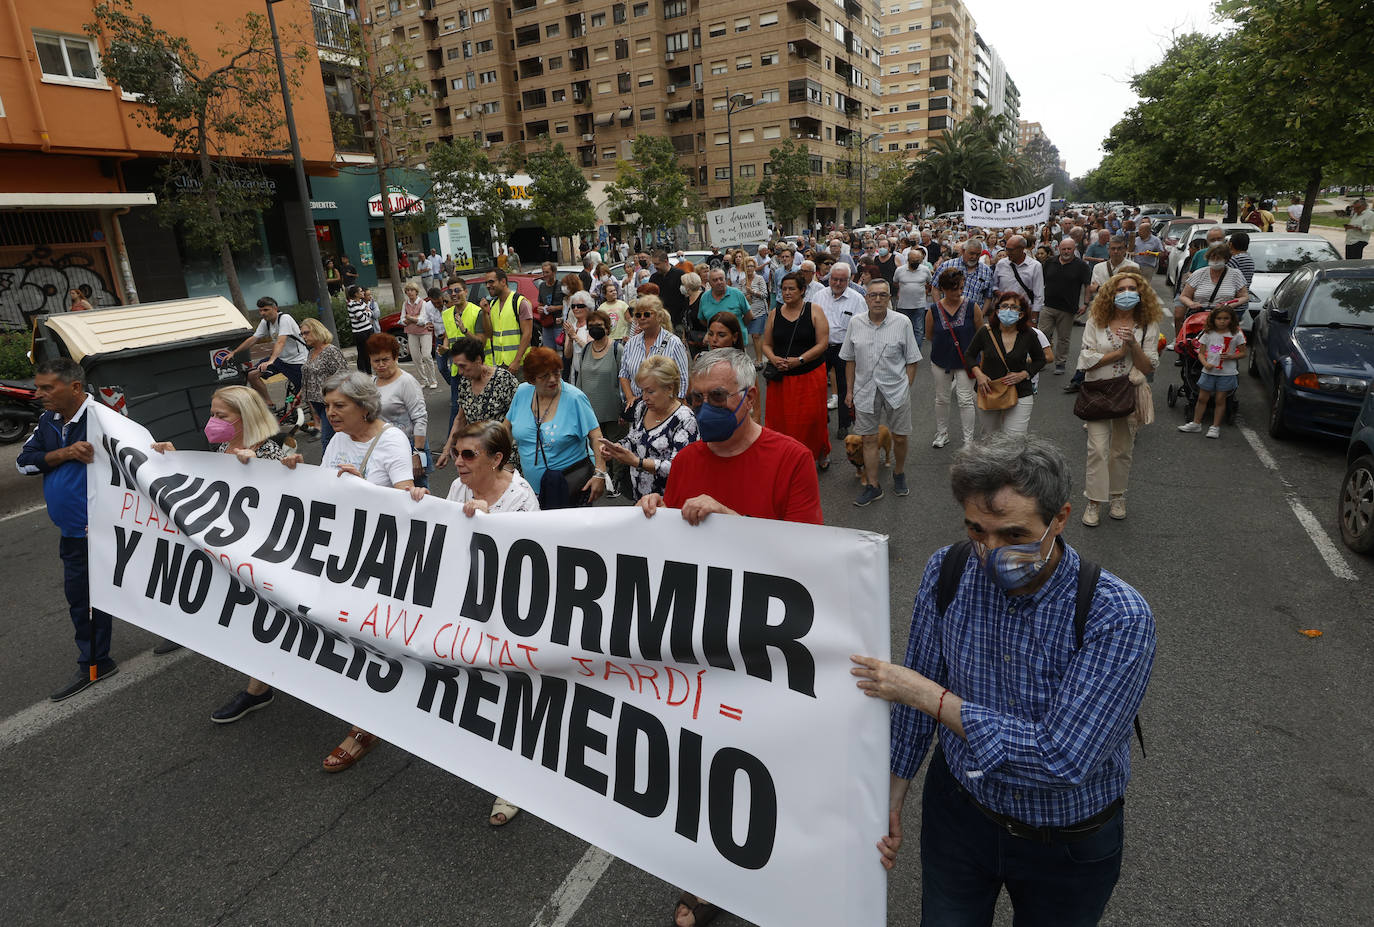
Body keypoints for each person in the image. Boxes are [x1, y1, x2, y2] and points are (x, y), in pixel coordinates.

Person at [851, 432, 1156, 927]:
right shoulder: (947, 571)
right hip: (960, 816)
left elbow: (1061, 759)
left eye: (1013, 536)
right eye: (977, 531)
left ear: (1060, 517)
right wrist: (891, 795)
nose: (990, 553)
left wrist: (928, 695)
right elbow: (915, 705)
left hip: (1069, 841)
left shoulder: (1116, 615)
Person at [282, 371, 419, 773]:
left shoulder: (392, 439)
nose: (331, 414)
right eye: (327, 406)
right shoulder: (339, 439)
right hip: (344, 555)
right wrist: (294, 470)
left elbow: (409, 502)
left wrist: (366, 490)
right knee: (348, 632)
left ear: (365, 406)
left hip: (383, 558)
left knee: (372, 637)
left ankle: (365, 726)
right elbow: (327, 485)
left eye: (339, 406)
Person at [150, 386, 287, 721]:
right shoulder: (225, 449)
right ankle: (264, 683)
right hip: (229, 557)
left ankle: (259, 689)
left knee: (265, 622)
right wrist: (169, 461)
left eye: (220, 416)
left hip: (262, 561)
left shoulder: (271, 454)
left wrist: (263, 472)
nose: (212, 422)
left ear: (245, 417)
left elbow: (292, 509)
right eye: (212, 414)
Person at [442, 419, 537, 827]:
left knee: (511, 691)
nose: (458, 463)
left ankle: (513, 781)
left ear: (497, 459)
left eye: (469, 455)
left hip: (509, 612)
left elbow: (529, 566)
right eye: (458, 453)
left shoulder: (521, 498)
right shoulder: (460, 486)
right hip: (469, 603)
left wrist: (488, 525)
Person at [18, 359, 121, 700]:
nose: (40, 394)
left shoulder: (103, 418)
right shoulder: (49, 420)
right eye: (39, 386)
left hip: (109, 529)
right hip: (74, 533)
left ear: (75, 388)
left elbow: (139, 459)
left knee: (143, 586)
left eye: (48, 388)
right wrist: (65, 453)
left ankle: (182, 633)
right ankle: (96, 664)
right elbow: (24, 462)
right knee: (82, 600)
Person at [1076, 271, 1162, 526]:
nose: (1127, 294)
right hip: (1098, 391)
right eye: (1121, 289)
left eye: (1132, 289)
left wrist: (1134, 346)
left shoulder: (1147, 324)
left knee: (1122, 450)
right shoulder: (1097, 320)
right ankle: (1093, 501)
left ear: (1141, 293)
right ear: (1111, 295)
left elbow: (1149, 367)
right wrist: (1118, 353)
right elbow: (1085, 360)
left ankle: (1117, 496)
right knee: (1098, 450)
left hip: (1128, 393)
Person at [841, 279, 921, 506]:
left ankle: (898, 472)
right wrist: (849, 391)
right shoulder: (855, 323)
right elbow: (849, 360)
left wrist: (907, 387)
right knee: (868, 439)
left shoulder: (902, 322)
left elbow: (913, 360)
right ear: (866, 298)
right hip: (864, 391)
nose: (877, 299)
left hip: (896, 389)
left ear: (889, 298)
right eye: (873, 295)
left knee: (900, 437)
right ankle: (873, 486)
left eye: (882, 295)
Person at [505, 347, 608, 509]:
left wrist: (600, 473)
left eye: (556, 373)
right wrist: (500, 464)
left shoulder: (575, 398)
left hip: (572, 487)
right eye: (545, 376)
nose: (553, 379)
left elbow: (596, 436)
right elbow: (506, 430)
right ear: (532, 380)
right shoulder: (522, 392)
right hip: (530, 490)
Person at [600, 356, 697, 501]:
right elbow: (634, 439)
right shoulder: (642, 408)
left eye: (650, 392)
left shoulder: (685, 419)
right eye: (642, 391)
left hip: (669, 503)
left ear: (669, 388)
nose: (644, 397)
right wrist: (616, 449)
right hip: (640, 499)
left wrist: (636, 462)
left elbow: (679, 467)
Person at [435, 337, 521, 469]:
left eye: (463, 366)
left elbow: (520, 417)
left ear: (478, 360)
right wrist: (446, 450)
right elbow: (460, 419)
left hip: (503, 457)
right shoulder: (464, 383)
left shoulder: (504, 380)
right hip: (475, 456)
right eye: (457, 367)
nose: (460, 372)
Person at [969, 291, 1045, 436]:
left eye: (1014, 307)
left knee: (1014, 440)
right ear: (997, 311)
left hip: (1020, 391)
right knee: (991, 438)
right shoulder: (986, 331)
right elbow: (969, 355)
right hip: (988, 390)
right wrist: (978, 374)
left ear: (1021, 314)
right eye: (1004, 306)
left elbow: (1040, 359)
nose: (1008, 310)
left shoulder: (1029, 334)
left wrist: (1024, 374)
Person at [570, 309, 627, 490]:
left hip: (612, 410)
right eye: (592, 326)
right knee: (596, 448)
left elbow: (624, 380)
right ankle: (601, 477)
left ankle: (617, 482)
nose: (595, 329)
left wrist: (624, 409)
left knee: (615, 448)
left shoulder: (617, 349)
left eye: (599, 326)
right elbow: (580, 379)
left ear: (607, 327)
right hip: (590, 411)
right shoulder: (586, 348)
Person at [926, 266, 981, 448]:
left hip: (967, 361)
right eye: (953, 289)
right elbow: (929, 335)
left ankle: (968, 440)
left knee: (965, 399)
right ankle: (942, 433)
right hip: (941, 361)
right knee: (941, 398)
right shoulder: (933, 310)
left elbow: (981, 334)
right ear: (943, 289)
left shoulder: (973, 306)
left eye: (960, 288)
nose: (958, 292)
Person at [368, 333, 430, 489]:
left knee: (417, 493)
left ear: (395, 358)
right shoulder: (372, 383)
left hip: (410, 445)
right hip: (383, 447)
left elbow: (420, 418)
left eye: (385, 359)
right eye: (376, 361)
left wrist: (418, 454)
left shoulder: (406, 382)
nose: (381, 365)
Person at [1178, 305, 1247, 439]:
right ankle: (1196, 423)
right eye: (1219, 318)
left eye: (1226, 318)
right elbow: (1201, 353)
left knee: (1220, 400)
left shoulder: (1236, 334)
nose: (1222, 321)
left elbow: (1244, 353)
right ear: (1213, 319)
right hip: (1208, 371)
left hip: (1227, 373)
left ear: (1231, 319)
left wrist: (1231, 356)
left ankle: (1215, 427)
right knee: (1202, 398)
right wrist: (1205, 364)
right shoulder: (1208, 333)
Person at [225, 296, 307, 409]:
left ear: (275, 308)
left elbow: (280, 342)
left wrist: (271, 361)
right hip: (280, 360)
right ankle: (269, 404)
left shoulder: (285, 318)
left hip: (297, 361)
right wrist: (235, 352)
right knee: (252, 375)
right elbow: (254, 339)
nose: (262, 313)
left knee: (305, 392)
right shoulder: (265, 322)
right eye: (260, 310)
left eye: (266, 310)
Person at [816, 262, 866, 436]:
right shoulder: (819, 296)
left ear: (849, 280)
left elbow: (862, 327)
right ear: (829, 278)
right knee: (818, 386)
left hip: (845, 350)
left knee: (845, 387)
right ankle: (822, 418)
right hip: (821, 348)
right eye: (834, 279)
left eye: (842, 280)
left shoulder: (857, 299)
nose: (837, 283)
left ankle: (844, 424)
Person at [619, 295, 691, 411]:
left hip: (666, 407)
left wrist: (675, 405)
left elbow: (682, 378)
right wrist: (630, 398)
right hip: (639, 407)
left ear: (659, 316)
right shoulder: (631, 343)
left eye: (647, 314)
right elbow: (624, 375)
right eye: (638, 315)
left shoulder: (674, 343)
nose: (642, 318)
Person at [1041, 237, 1092, 375]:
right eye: (1063, 249)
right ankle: (1041, 360)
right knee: (1042, 335)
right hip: (1048, 306)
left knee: (1063, 338)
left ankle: (1060, 363)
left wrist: (1086, 304)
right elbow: (1041, 281)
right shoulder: (1050, 262)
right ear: (1059, 249)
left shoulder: (1082, 266)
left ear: (1074, 249)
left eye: (1069, 248)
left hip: (1068, 309)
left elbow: (1087, 286)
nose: (1066, 251)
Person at [298, 316, 348, 451]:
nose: (304, 336)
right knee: (335, 437)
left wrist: (335, 400)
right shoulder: (311, 352)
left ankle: (327, 467)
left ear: (317, 330)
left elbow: (343, 376)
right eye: (302, 333)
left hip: (329, 403)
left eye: (306, 332)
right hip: (316, 403)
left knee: (327, 439)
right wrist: (301, 392)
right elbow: (310, 375)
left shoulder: (330, 350)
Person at [1178, 243, 1249, 331]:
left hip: (1223, 321)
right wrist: (1191, 304)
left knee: (1219, 344)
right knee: (1200, 343)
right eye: (1212, 257)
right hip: (1199, 320)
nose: (1215, 260)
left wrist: (1230, 305)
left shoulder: (1235, 274)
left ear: (1226, 259)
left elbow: (1244, 296)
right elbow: (1184, 296)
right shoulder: (1198, 274)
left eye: (1219, 258)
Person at [483, 268, 534, 377]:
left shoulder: (520, 302)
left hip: (519, 365)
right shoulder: (493, 304)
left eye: (491, 282)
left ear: (503, 282)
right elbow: (489, 334)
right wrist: (484, 314)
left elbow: (527, 334)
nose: (488, 285)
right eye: (486, 282)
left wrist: (516, 361)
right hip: (500, 364)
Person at [993, 235, 1045, 324]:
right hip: (1003, 313)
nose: (1007, 253)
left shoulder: (1035, 266)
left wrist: (1033, 319)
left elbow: (1039, 295)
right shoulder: (1001, 264)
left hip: (1024, 314)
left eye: (1011, 250)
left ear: (1021, 249)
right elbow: (994, 285)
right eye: (1007, 249)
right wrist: (999, 293)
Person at [400, 283, 441, 389]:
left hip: (424, 332)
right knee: (415, 357)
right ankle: (423, 379)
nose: (409, 292)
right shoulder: (405, 304)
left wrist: (410, 318)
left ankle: (433, 379)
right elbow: (401, 320)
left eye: (411, 290)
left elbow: (423, 321)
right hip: (411, 332)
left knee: (427, 355)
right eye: (407, 290)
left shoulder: (423, 303)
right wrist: (414, 318)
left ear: (416, 291)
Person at [892, 246, 933, 344]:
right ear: (908, 260)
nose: (915, 263)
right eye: (913, 260)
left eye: (918, 261)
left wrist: (925, 292)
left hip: (919, 305)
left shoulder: (925, 270)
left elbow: (930, 282)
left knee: (918, 330)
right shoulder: (900, 270)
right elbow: (895, 282)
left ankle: (917, 352)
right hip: (903, 305)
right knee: (903, 329)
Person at [648, 249, 688, 331]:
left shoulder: (680, 275)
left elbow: (686, 297)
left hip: (678, 321)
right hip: (661, 322)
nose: (655, 267)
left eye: (657, 264)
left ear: (665, 261)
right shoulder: (654, 278)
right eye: (654, 264)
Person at [741, 257, 770, 361]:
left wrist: (753, 292)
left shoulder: (759, 279)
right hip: (748, 312)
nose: (749, 268)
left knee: (756, 335)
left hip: (760, 311)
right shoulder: (742, 281)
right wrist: (745, 296)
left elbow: (765, 294)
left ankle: (759, 360)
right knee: (748, 338)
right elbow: (741, 296)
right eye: (747, 266)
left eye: (751, 266)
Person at [345, 285, 375, 374]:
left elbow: (371, 313)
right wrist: (367, 313)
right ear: (356, 294)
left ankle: (369, 373)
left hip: (368, 330)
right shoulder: (352, 305)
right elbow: (362, 317)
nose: (363, 293)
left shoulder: (362, 302)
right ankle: (362, 373)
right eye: (361, 291)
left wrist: (366, 313)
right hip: (360, 333)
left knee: (368, 353)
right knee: (362, 354)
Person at [533, 261, 563, 350]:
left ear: (554, 272)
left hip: (559, 324)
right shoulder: (542, 286)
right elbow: (541, 303)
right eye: (543, 272)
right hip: (547, 324)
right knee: (549, 352)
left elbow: (569, 305)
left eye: (547, 272)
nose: (544, 275)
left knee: (561, 352)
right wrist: (540, 309)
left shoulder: (561, 285)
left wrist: (556, 308)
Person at [1128, 218, 1165, 282]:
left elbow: (1162, 254)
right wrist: (1131, 253)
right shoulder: (1136, 239)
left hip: (1148, 267)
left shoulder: (1156, 240)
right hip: (1136, 266)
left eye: (1141, 230)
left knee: (1145, 285)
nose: (1138, 232)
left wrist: (1152, 254)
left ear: (1147, 231)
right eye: (1139, 230)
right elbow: (1129, 251)